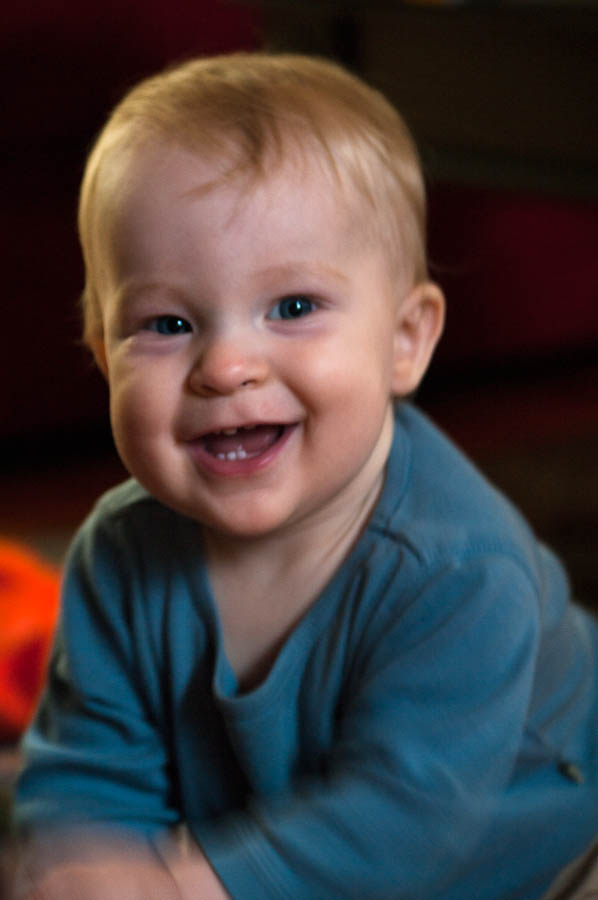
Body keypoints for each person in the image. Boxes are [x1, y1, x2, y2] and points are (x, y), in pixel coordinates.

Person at [11, 52, 597, 900]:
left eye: (292, 308)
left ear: (405, 340)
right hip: (282, 840)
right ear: (105, 358)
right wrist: (80, 860)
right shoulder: (119, 557)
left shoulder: (460, 571)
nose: (227, 366)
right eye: (167, 323)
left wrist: (190, 883)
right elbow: (89, 766)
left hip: (534, 841)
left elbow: (401, 824)